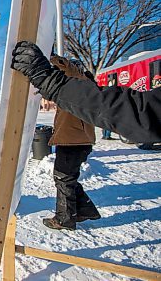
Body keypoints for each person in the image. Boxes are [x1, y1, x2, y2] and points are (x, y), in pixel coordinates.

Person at [11, 41, 161, 143]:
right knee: (66, 179)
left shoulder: (75, 74)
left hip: (74, 136)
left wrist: (49, 75)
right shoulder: (82, 78)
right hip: (76, 134)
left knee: (64, 180)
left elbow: (141, 113)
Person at [43, 55, 101, 230]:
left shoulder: (80, 81)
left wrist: (51, 57)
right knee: (67, 177)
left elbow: (70, 70)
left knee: (63, 177)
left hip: (74, 141)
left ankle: (64, 218)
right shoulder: (79, 87)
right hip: (74, 139)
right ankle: (85, 209)